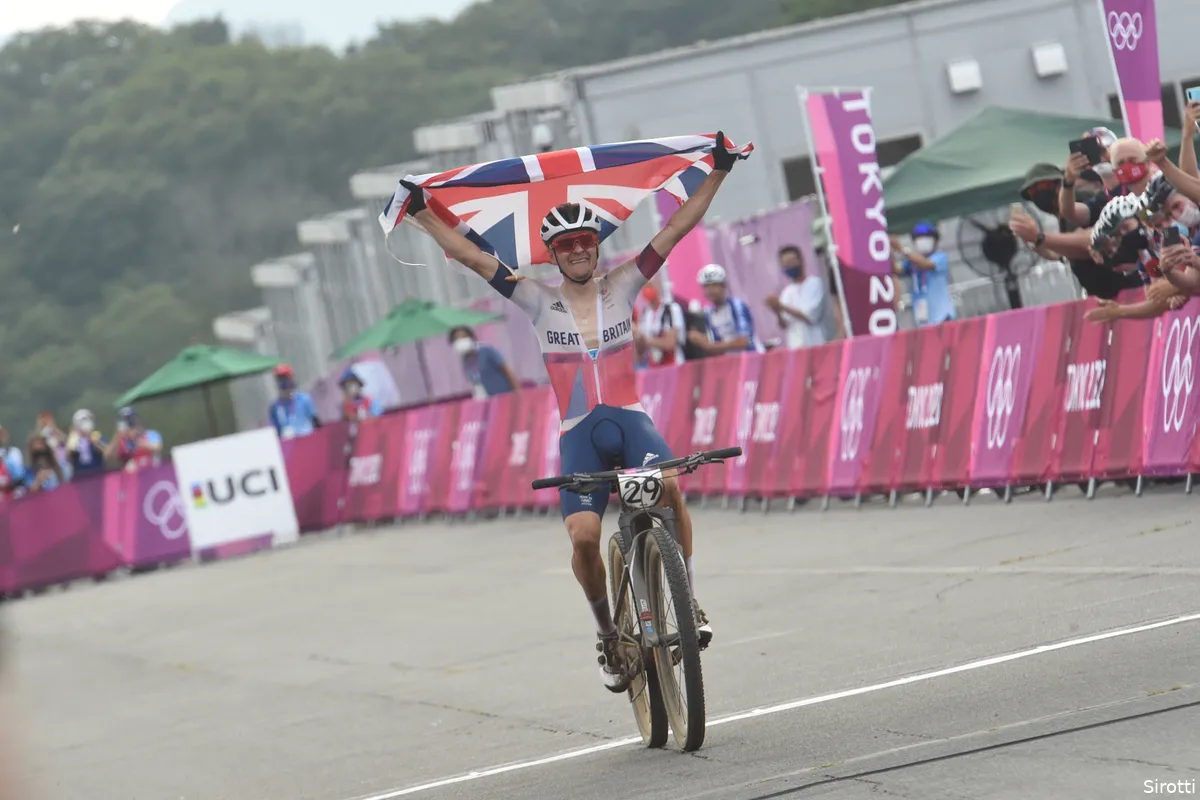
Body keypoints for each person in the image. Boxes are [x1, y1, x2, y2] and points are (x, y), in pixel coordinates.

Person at [396, 131, 742, 692]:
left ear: (597, 247)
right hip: (580, 435)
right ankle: (608, 633)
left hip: (631, 423)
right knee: (583, 537)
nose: (579, 249)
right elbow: (473, 256)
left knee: (670, 489)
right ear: (553, 254)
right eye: (567, 244)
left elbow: (677, 228)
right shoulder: (536, 298)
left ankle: (690, 600)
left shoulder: (624, 284)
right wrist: (421, 213)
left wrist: (719, 170)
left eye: (586, 240)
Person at [890, 221, 957, 327]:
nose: (922, 241)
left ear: (935, 240)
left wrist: (902, 249)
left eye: (927, 237)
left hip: (943, 319)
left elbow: (925, 264)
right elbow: (895, 270)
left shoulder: (940, 257)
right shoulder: (911, 263)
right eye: (918, 238)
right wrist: (889, 250)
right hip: (924, 322)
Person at [688, 264, 765, 355]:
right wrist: (701, 341)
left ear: (723, 286)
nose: (710, 290)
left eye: (714, 285)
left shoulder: (736, 305)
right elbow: (716, 345)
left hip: (752, 357)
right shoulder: (709, 314)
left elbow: (743, 341)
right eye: (706, 286)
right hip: (731, 360)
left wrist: (710, 346)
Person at [765, 244, 828, 349]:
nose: (789, 267)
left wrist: (781, 306)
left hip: (816, 344)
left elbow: (810, 316)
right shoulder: (786, 292)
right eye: (786, 264)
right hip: (796, 348)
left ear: (801, 261)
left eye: (792, 262)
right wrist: (777, 311)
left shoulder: (815, 283)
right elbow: (784, 324)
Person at [449, 326, 520, 398]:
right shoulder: (465, 361)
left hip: (503, 396)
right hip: (485, 399)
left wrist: (518, 392)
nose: (460, 340)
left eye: (463, 337)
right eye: (456, 339)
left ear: (471, 338)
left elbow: (507, 370)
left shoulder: (487, 351)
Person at [634, 283, 687, 366]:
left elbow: (669, 343)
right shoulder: (645, 313)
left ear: (658, 287)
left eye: (650, 286)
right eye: (644, 287)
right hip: (654, 365)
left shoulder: (671, 309)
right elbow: (639, 352)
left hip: (674, 363)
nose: (647, 290)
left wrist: (647, 341)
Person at [268, 364, 321, 440]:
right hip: (288, 444)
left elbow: (316, 423)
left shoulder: (304, 399)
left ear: (291, 378)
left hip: (307, 441)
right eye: (280, 379)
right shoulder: (275, 407)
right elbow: (275, 432)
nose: (283, 381)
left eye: (285, 378)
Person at [105, 407, 163, 472]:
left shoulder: (150, 434)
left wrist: (136, 440)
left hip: (152, 472)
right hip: (132, 475)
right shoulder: (122, 442)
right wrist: (117, 436)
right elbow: (108, 457)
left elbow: (157, 447)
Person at [66, 409, 107, 479]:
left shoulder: (96, 436)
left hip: (98, 475)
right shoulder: (74, 439)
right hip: (81, 477)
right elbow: (68, 457)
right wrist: (72, 438)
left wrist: (95, 442)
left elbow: (106, 453)